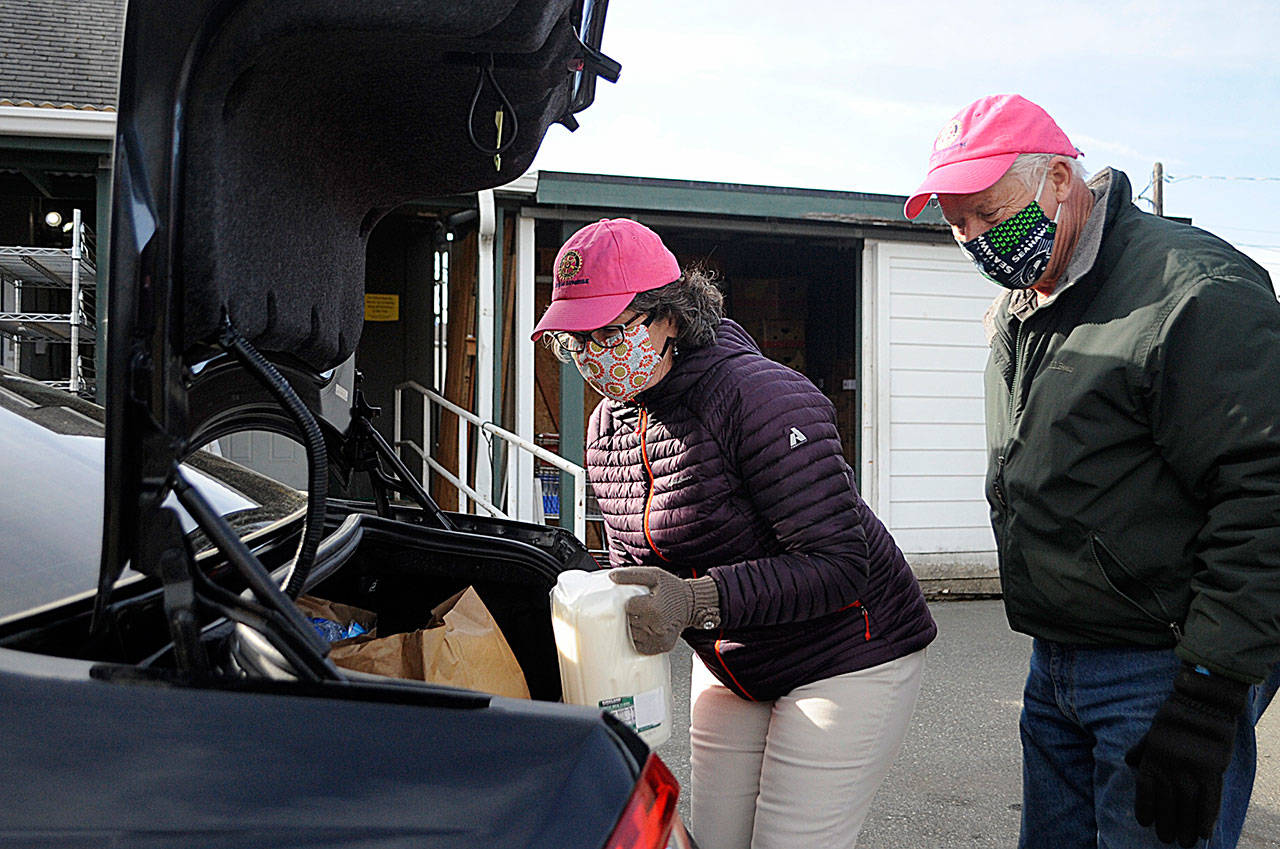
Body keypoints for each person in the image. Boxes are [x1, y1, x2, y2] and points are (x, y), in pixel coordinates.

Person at [904, 93, 1280, 849]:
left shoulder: (1192, 293)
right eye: (957, 221)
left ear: (1062, 181)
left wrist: (1210, 690)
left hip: (1162, 669)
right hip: (1057, 664)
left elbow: (1263, 492)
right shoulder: (1029, 300)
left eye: (988, 211)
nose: (975, 238)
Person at [531, 217, 937, 849]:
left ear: (668, 317)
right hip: (734, 659)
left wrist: (694, 601)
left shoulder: (761, 397)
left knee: (788, 841)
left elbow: (838, 563)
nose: (590, 359)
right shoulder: (608, 424)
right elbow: (635, 567)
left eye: (607, 334)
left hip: (847, 650)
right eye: (572, 342)